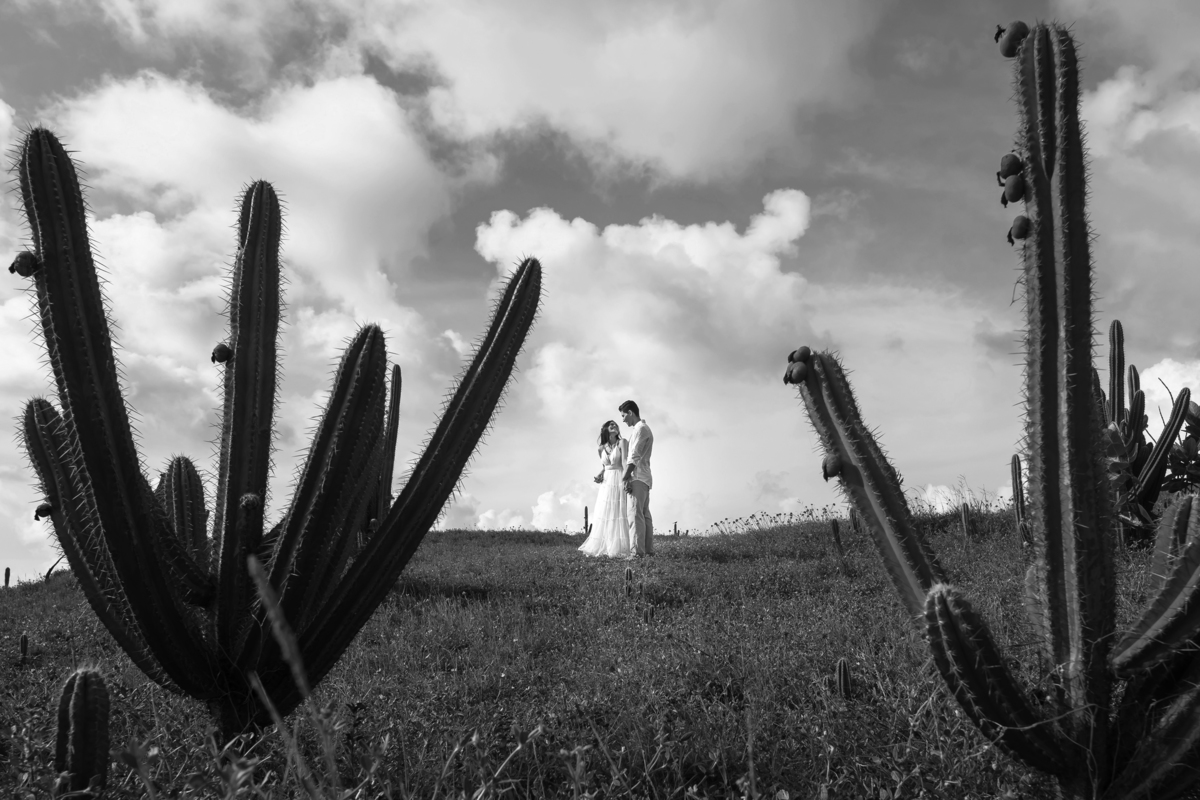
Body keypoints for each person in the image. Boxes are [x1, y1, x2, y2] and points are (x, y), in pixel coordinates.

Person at [578, 420, 632, 557]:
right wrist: (600, 474)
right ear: (605, 430)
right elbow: (605, 466)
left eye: (615, 425)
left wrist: (627, 478)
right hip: (607, 482)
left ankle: (619, 547)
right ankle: (606, 546)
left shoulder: (622, 442)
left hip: (619, 478)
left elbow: (625, 461)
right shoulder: (601, 448)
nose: (613, 426)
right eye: (610, 425)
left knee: (618, 511)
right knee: (605, 512)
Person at [619, 400, 654, 557]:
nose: (623, 419)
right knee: (644, 515)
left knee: (635, 515)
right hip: (644, 478)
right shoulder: (643, 429)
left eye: (623, 415)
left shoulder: (640, 429)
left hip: (638, 477)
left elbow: (634, 456)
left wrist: (626, 477)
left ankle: (637, 553)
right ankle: (648, 551)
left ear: (631, 413)